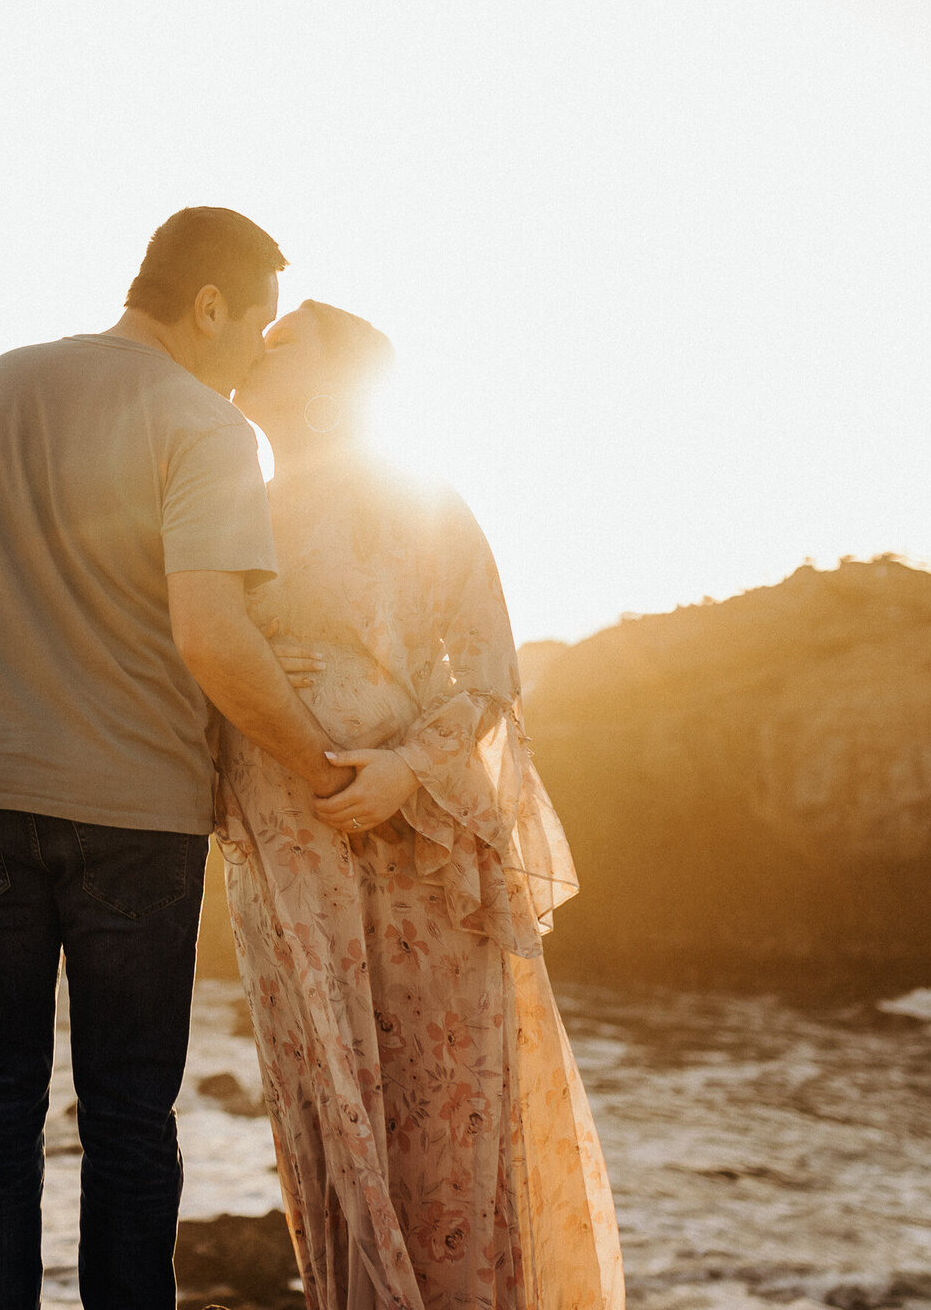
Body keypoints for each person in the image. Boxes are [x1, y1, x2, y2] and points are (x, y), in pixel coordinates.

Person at [0, 208, 351, 1309]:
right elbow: (213, 636)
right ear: (209, 306)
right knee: (131, 1116)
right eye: (256, 328)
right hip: (136, 817)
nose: (253, 357)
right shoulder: (204, 426)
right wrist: (322, 763)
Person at [220, 300, 626, 1308]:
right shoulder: (224, 505)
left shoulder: (419, 496)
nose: (256, 351)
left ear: (344, 380)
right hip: (288, 844)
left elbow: (487, 669)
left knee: (441, 1111)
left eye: (284, 343)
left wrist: (404, 768)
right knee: (329, 1100)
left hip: (421, 840)